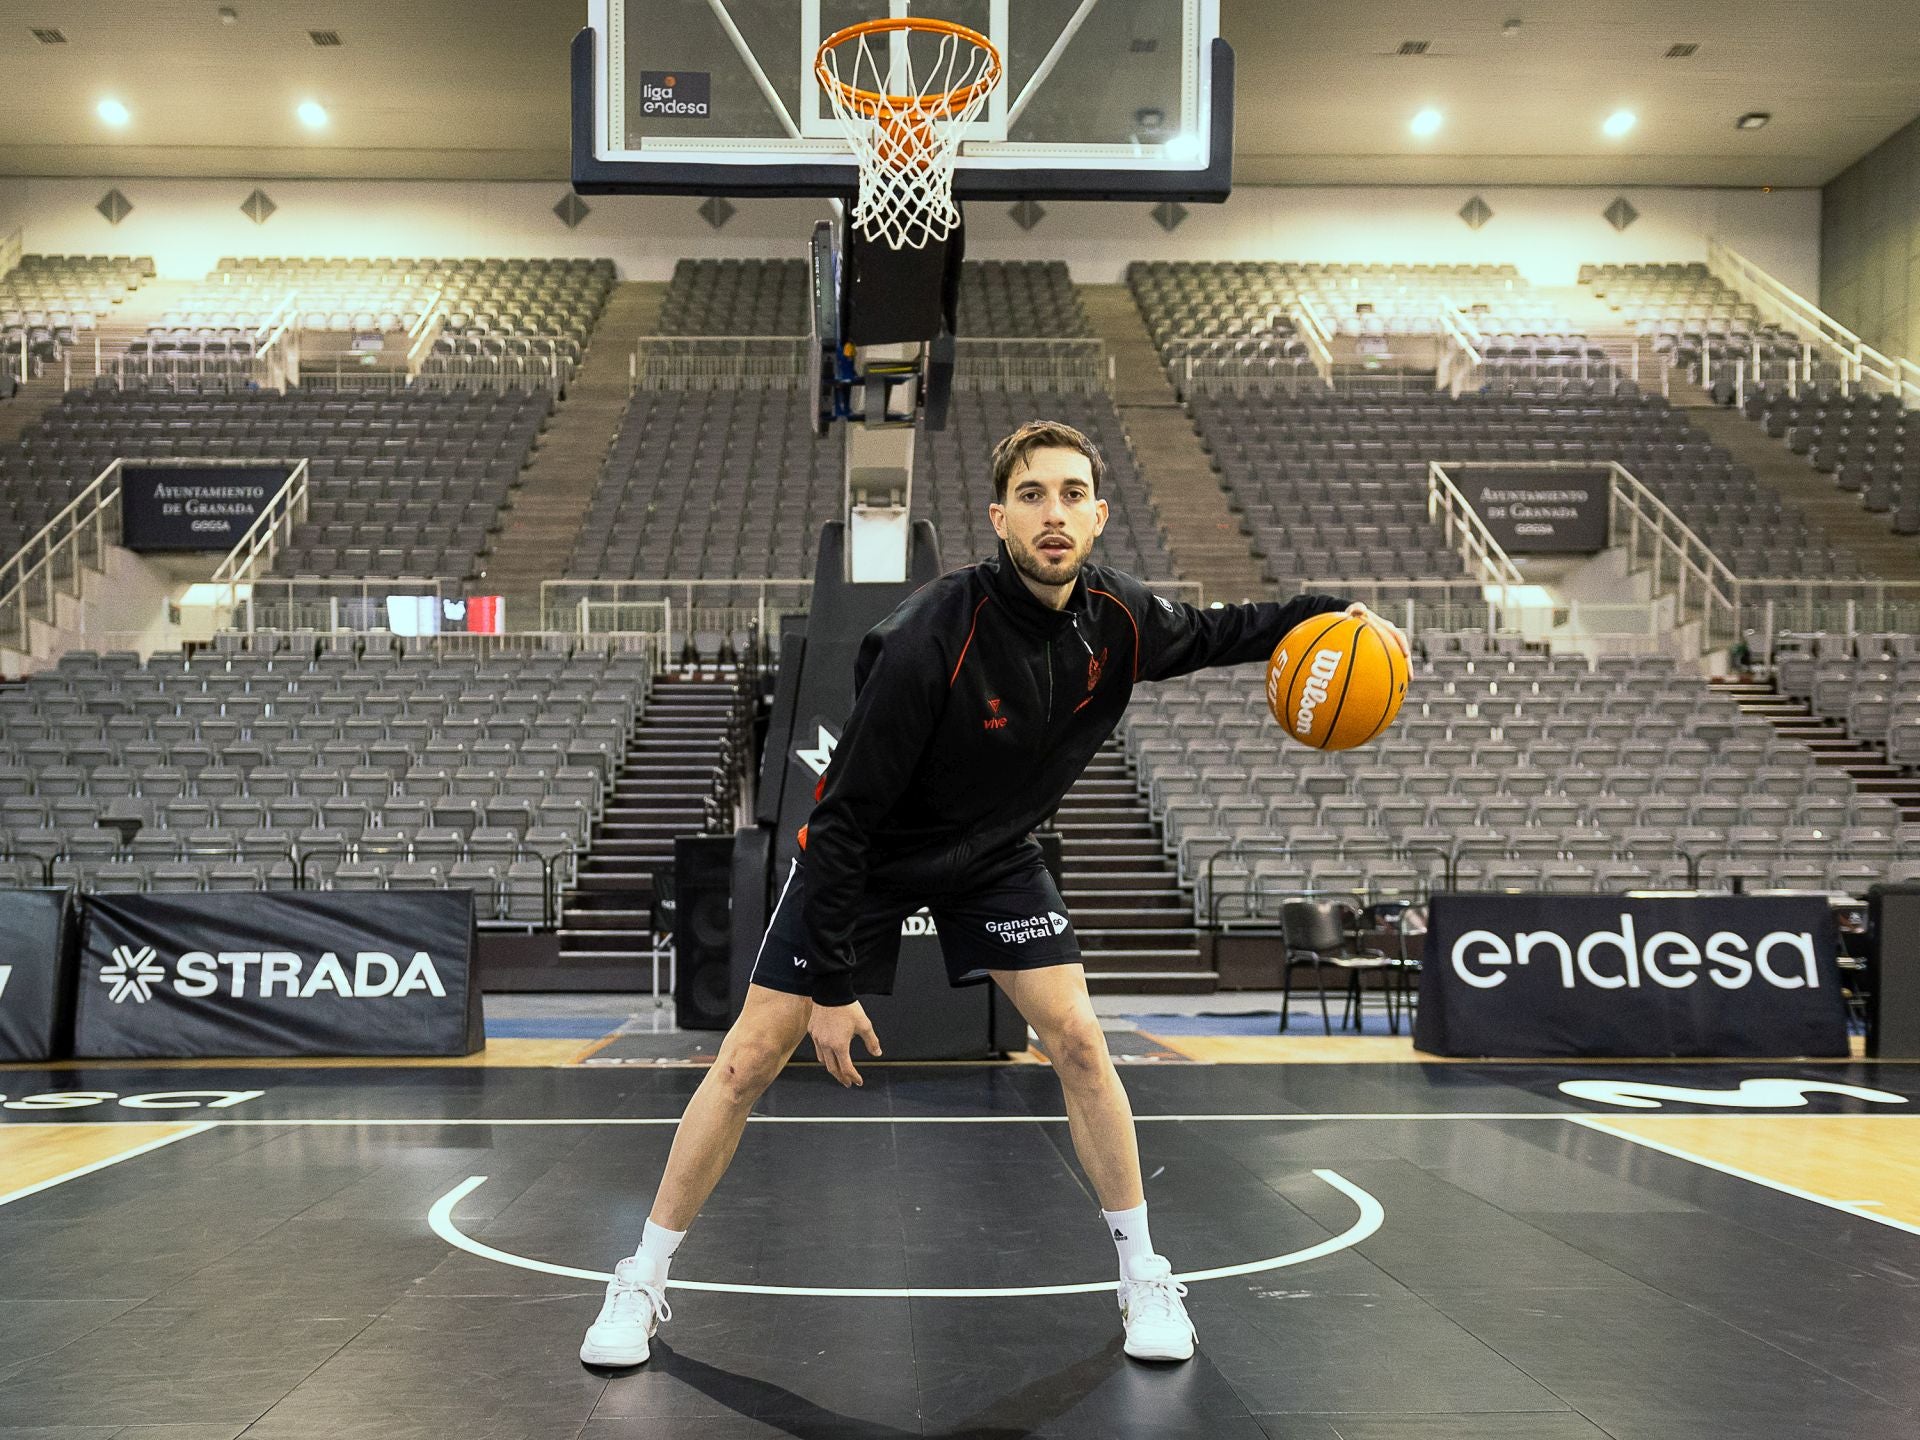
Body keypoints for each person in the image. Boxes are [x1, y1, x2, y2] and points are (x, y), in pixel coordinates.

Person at [581, 419, 1408, 1369]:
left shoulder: (1121, 618)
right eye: (1031, 496)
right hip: (869, 854)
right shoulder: (929, 634)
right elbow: (844, 819)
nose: (1052, 514)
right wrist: (836, 985)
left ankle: (1144, 1276)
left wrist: (1343, 611)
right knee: (745, 1062)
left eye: (1069, 495)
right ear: (998, 518)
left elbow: (1238, 631)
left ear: (1098, 516)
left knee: (1083, 1043)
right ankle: (640, 1280)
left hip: (995, 856)